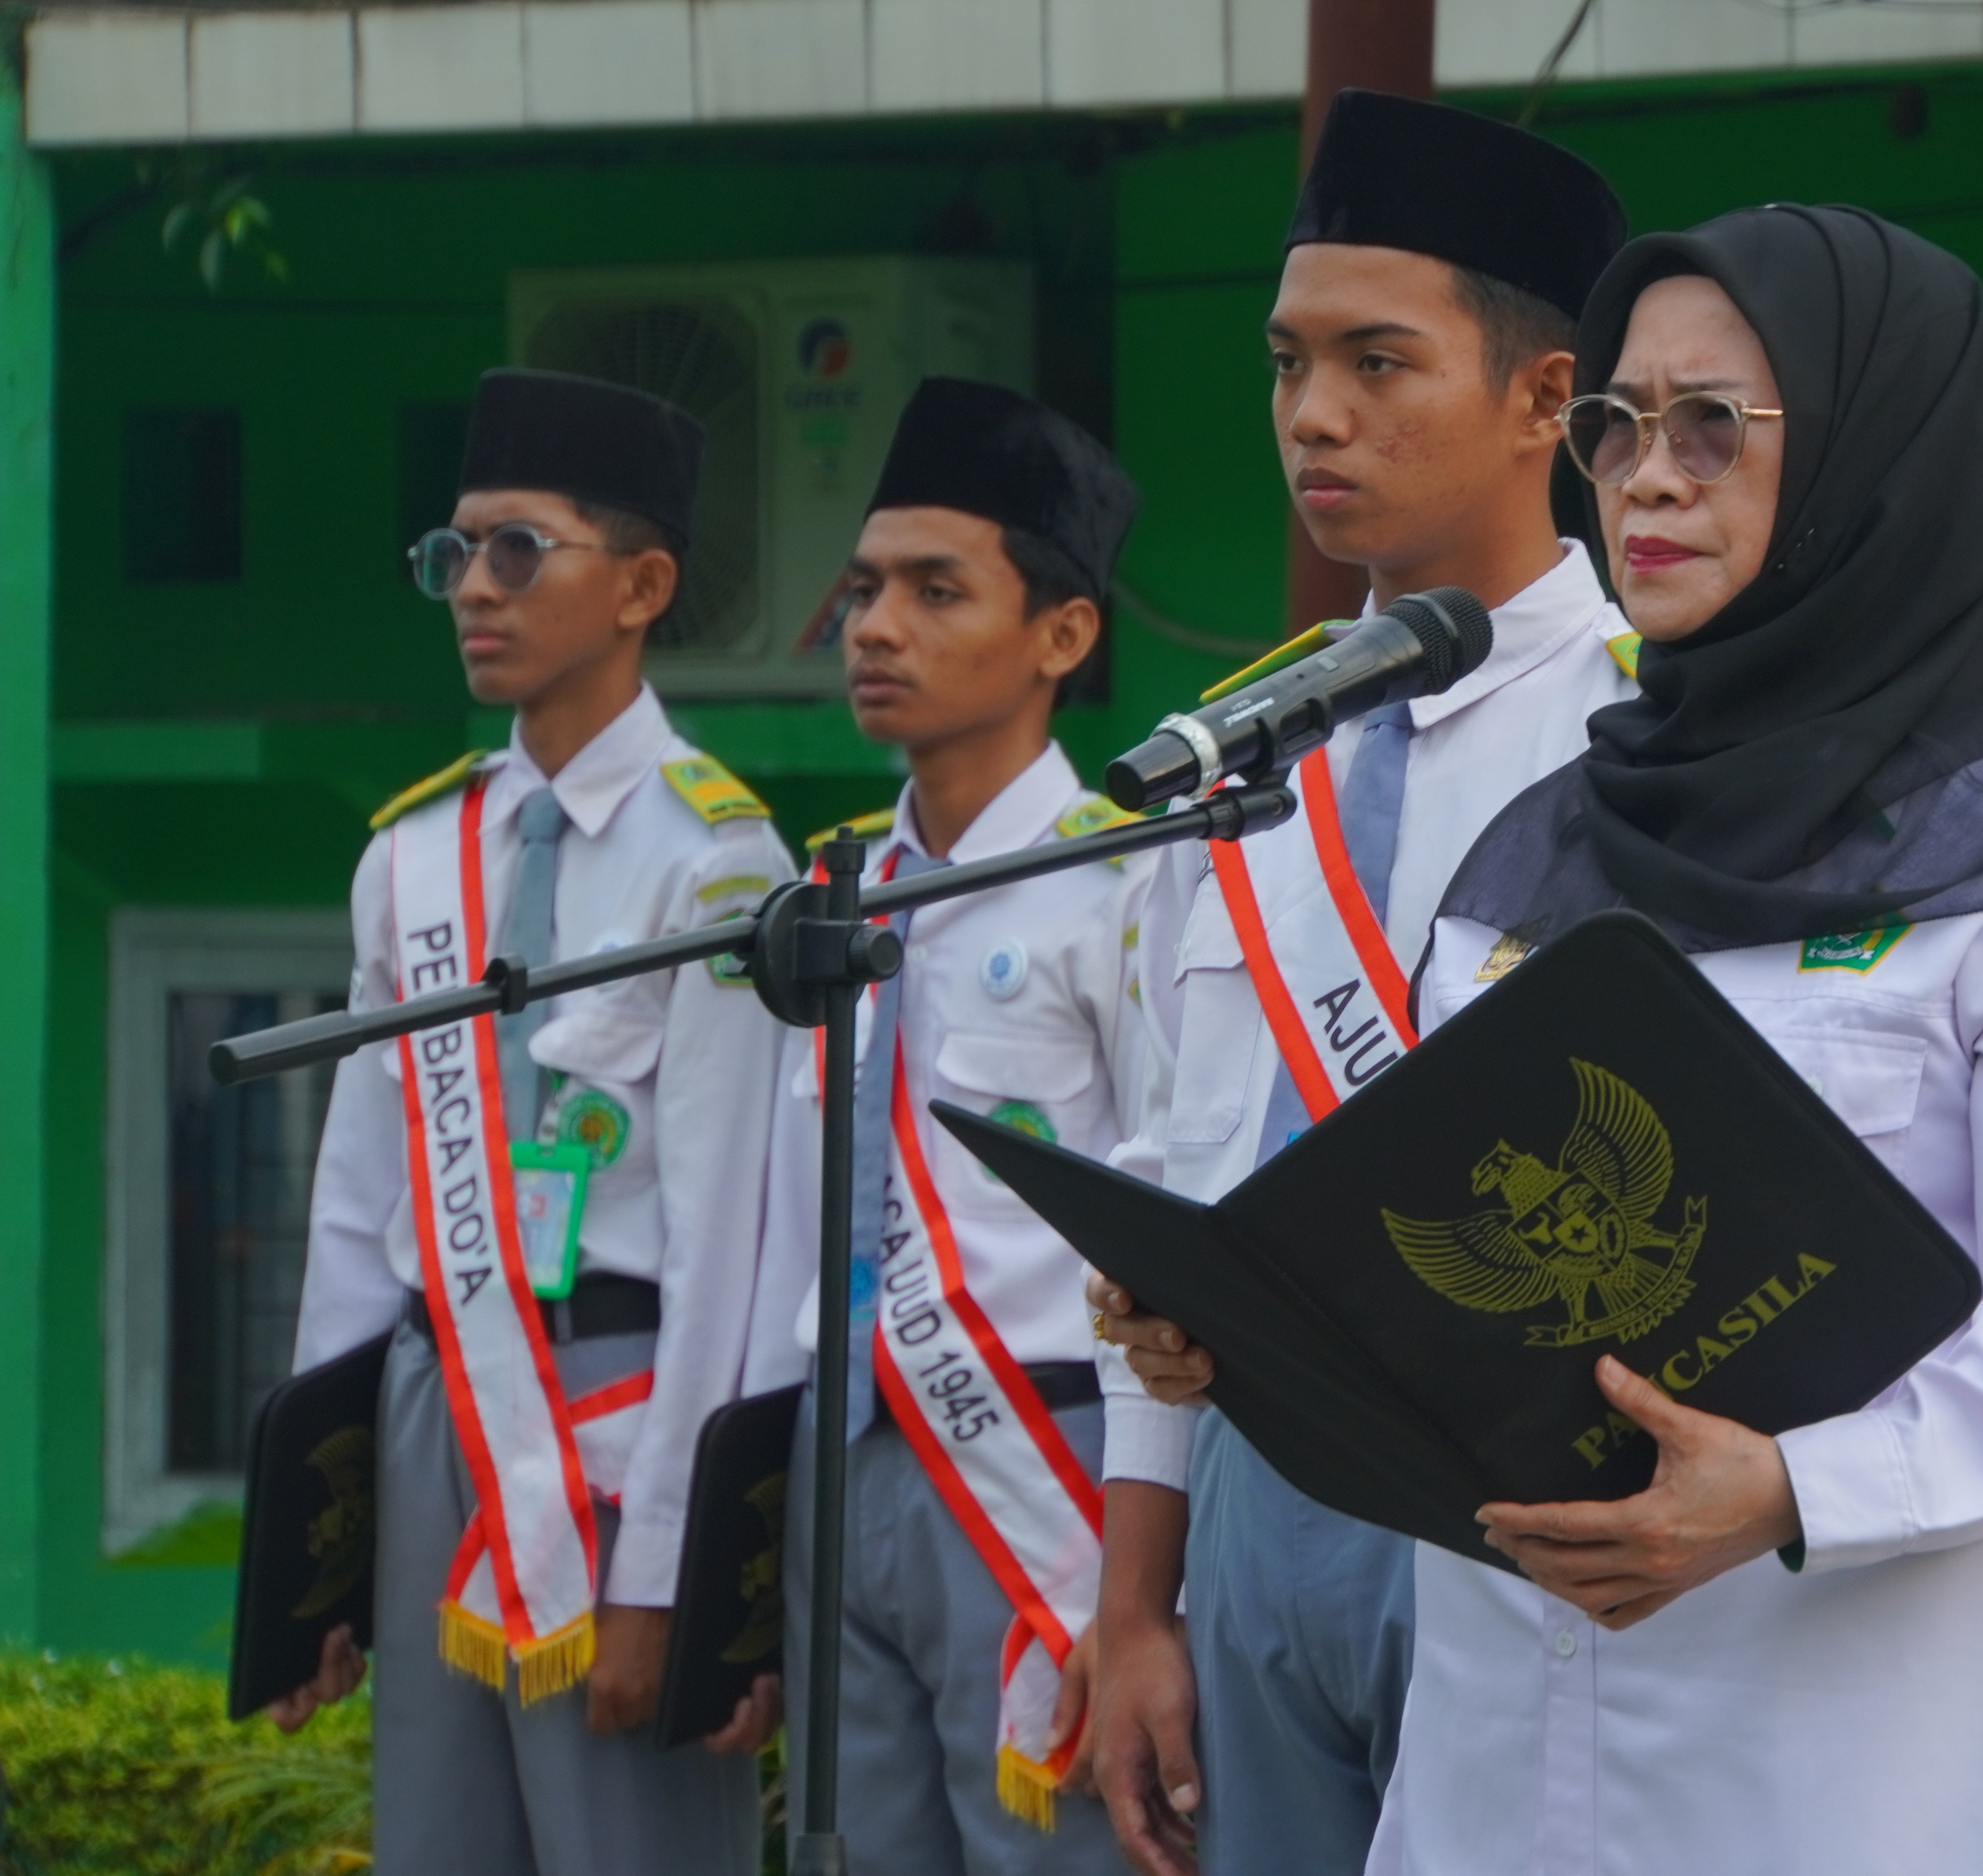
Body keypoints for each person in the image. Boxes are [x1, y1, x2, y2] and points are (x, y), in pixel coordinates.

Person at [1371, 204, 1983, 1871]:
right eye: (1617, 427)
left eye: (1716, 425)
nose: (1646, 476)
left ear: (1872, 458)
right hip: (1515, 1746)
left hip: (1878, 1761)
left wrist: (1797, 1486)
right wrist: (1257, 1331)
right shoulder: (1527, 861)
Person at [1074, 88, 1633, 1876]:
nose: (1313, 415)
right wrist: (1137, 1594)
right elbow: (1181, 1162)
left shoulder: (1651, 740)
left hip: (1527, 1499)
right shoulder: (1238, 751)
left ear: (1546, 398)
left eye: (1379, 362)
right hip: (1256, 1500)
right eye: (1287, 361)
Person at [273, 367, 789, 1874]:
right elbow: (356, 1215)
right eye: (452, 555)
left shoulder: (721, 865)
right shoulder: (411, 859)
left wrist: (676, 1570)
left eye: (516, 550)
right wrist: (322, 1547)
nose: (471, 591)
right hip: (437, 1411)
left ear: (643, 586)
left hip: (623, 1418)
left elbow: (734, 1247)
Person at [745, 376, 1155, 1874]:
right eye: (862, 590)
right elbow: (783, 1221)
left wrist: (1142, 1578)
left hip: (1044, 1464)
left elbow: (1171, 1229)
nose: (875, 627)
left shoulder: (1126, 889)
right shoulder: (825, 895)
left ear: (1062, 634)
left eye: (934, 590)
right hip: (841, 1458)